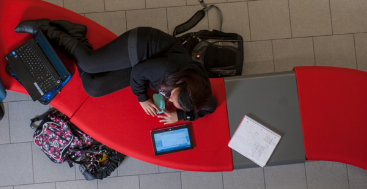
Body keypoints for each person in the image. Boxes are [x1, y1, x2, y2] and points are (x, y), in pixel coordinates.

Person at [15, 19, 216, 124]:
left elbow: (210, 108)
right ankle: (45, 28)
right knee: (90, 64)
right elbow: (138, 73)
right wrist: (141, 98)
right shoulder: (167, 70)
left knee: (93, 88)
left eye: (175, 104)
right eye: (173, 97)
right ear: (182, 81)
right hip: (143, 47)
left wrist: (181, 117)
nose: (171, 102)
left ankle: (77, 36)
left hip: (147, 67)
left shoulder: (200, 95)